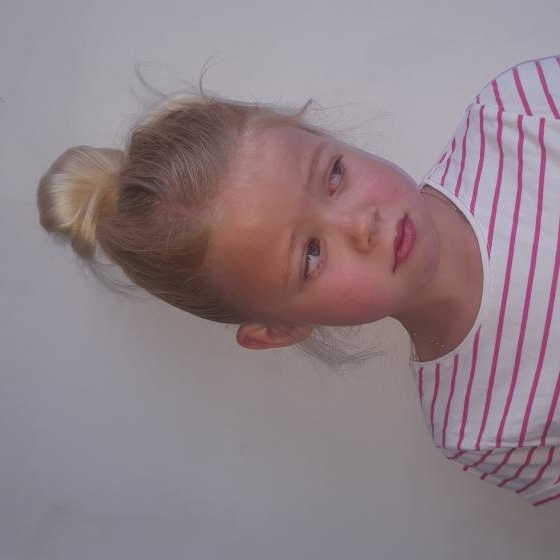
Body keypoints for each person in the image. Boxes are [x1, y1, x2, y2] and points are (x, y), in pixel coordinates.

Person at [37, 55, 560, 506]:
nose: (362, 224)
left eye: (333, 175)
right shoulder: (479, 430)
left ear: (326, 138)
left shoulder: (520, 113)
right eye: (310, 254)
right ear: (279, 329)